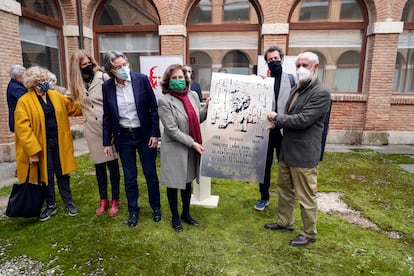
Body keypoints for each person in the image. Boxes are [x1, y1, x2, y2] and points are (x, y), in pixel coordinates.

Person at [264, 52, 331, 246]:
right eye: (298, 64)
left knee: (306, 196)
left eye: (305, 64)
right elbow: (290, 116)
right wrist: (278, 124)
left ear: (315, 67)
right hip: (287, 151)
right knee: (284, 189)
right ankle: (285, 222)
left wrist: (277, 118)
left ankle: (309, 233)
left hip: (303, 154)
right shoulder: (297, 87)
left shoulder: (321, 92)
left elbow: (303, 120)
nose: (301, 68)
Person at [14, 66, 83, 221]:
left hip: (59, 142)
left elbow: (74, 109)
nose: (45, 83)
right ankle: (51, 205)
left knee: (63, 173)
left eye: (45, 79)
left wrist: (82, 99)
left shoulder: (55, 96)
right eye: (41, 81)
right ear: (32, 83)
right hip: (41, 146)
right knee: (47, 175)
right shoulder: (24, 102)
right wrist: (32, 152)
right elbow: (23, 129)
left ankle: (68, 201)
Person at [102, 50, 161, 228]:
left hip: (144, 134)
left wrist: (154, 133)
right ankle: (133, 210)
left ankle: (156, 208)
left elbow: (153, 109)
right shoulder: (107, 87)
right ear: (110, 70)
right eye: (118, 67)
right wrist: (106, 141)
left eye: (124, 65)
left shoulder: (141, 80)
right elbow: (107, 116)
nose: (122, 69)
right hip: (124, 136)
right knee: (129, 177)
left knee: (150, 173)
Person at [68, 49, 121, 217]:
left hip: (107, 128)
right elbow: (73, 103)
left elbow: (114, 103)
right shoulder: (76, 84)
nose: (88, 66)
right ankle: (103, 199)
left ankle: (115, 200)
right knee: (99, 167)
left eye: (89, 62)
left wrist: (114, 129)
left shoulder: (103, 77)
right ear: (77, 68)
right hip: (91, 130)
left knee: (112, 166)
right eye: (84, 64)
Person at [158, 64, 208, 232]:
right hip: (175, 148)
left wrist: (208, 108)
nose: (178, 80)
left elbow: (196, 118)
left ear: (186, 79)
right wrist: (193, 143)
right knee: (173, 184)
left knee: (187, 182)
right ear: (168, 81)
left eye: (181, 77)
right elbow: (172, 130)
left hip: (190, 147)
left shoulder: (192, 96)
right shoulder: (165, 101)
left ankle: (186, 214)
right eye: (174, 78)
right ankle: (175, 217)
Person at [254, 46, 296, 211]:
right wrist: (254, 82)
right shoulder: (263, 82)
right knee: (264, 166)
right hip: (267, 131)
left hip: (285, 131)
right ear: (266, 63)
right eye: (270, 60)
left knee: (285, 167)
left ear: (282, 59)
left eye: (276, 59)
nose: (273, 62)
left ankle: (286, 199)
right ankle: (264, 197)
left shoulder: (292, 80)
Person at [7, 64, 27, 133]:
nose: (25, 77)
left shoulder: (18, 85)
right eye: (24, 74)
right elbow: (26, 101)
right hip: (19, 120)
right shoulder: (16, 88)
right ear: (18, 77)